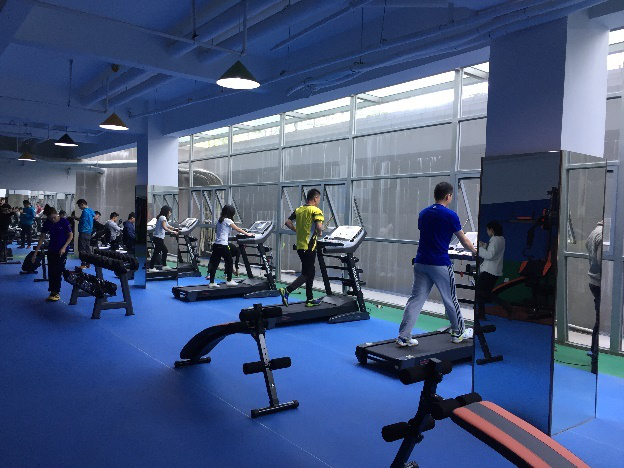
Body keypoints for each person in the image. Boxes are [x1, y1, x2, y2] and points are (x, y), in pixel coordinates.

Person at [397, 182, 477, 347]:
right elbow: (464, 241)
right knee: (450, 298)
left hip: (421, 262)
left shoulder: (423, 213)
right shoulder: (450, 215)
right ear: (448, 196)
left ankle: (403, 336)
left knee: (416, 299)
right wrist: (476, 252)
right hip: (440, 263)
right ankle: (458, 332)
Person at [279, 188, 325, 308]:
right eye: (318, 199)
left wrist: (297, 231)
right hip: (309, 247)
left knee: (310, 272)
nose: (318, 201)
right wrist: (320, 232)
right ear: (315, 198)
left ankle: (309, 299)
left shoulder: (299, 210)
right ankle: (287, 290)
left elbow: (288, 222)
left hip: (300, 246)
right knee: (307, 274)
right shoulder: (316, 210)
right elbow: (319, 226)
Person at [32, 207, 73, 302]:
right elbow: (42, 238)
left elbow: (70, 235)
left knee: (57, 270)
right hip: (52, 249)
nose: (53, 220)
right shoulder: (47, 223)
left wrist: (64, 247)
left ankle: (56, 292)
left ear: (57, 214)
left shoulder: (64, 221)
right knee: (51, 270)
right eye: (51, 218)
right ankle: (52, 291)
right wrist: (35, 252)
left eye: (54, 217)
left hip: (62, 250)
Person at [206, 205, 251, 288]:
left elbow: (219, 231)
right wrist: (247, 234)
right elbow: (238, 229)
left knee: (215, 263)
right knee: (229, 262)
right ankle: (229, 280)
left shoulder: (220, 220)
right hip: (223, 245)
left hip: (216, 245)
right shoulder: (228, 220)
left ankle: (211, 283)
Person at [475, 221, 505, 320]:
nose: (487, 231)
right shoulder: (501, 239)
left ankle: (505, 306)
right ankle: (481, 313)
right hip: (494, 270)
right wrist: (484, 246)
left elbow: (490, 255)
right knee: (484, 292)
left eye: (487, 229)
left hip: (489, 271)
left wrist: (479, 248)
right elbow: (493, 252)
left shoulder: (495, 240)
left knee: (481, 292)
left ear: (492, 230)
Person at [586, 221, 603, 374]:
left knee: (599, 320)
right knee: (601, 322)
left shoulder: (594, 232)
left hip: (593, 281)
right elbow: (600, 261)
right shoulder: (603, 235)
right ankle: (596, 362)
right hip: (600, 283)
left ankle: (593, 352)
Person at [76, 199, 95, 268]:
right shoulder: (90, 210)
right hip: (89, 232)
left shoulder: (84, 211)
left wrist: (76, 218)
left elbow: (83, 221)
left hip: (83, 232)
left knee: (82, 249)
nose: (79, 207)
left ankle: (83, 264)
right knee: (87, 248)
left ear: (82, 204)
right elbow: (92, 217)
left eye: (79, 205)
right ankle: (88, 263)